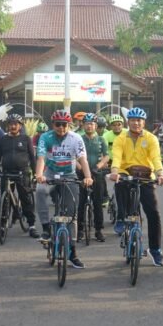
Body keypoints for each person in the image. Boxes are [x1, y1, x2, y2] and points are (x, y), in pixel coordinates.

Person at [109, 107, 163, 267]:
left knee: (154, 213)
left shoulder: (151, 138)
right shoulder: (121, 138)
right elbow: (116, 157)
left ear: (144, 122)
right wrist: (114, 172)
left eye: (139, 120)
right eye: (133, 120)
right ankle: (121, 218)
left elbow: (156, 158)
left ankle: (155, 250)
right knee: (119, 186)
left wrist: (161, 174)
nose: (136, 123)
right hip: (124, 173)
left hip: (145, 176)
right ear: (128, 122)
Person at [35, 110, 93, 269]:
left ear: (69, 125)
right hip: (51, 173)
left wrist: (88, 177)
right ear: (52, 125)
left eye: (64, 124)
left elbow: (83, 159)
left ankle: (73, 253)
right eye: (57, 124)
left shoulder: (76, 138)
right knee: (40, 191)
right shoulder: (45, 137)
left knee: (71, 214)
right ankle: (46, 227)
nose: (61, 127)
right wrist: (39, 174)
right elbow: (41, 158)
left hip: (69, 174)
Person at [0, 113, 40, 239]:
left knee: (25, 199)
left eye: (16, 124)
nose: (13, 126)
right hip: (6, 173)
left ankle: (31, 226)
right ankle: (1, 226)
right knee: (4, 200)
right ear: (7, 126)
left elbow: (32, 157)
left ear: (20, 126)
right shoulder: (3, 139)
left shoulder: (26, 139)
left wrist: (36, 173)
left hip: (22, 173)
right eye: (10, 124)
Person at [77, 113, 110, 242]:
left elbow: (106, 156)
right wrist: (81, 168)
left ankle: (98, 230)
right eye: (87, 124)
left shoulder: (101, 139)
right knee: (80, 202)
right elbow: (74, 156)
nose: (89, 126)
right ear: (83, 125)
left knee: (97, 202)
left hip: (97, 173)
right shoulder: (79, 139)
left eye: (91, 124)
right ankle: (79, 229)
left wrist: (99, 166)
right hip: (81, 174)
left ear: (96, 126)